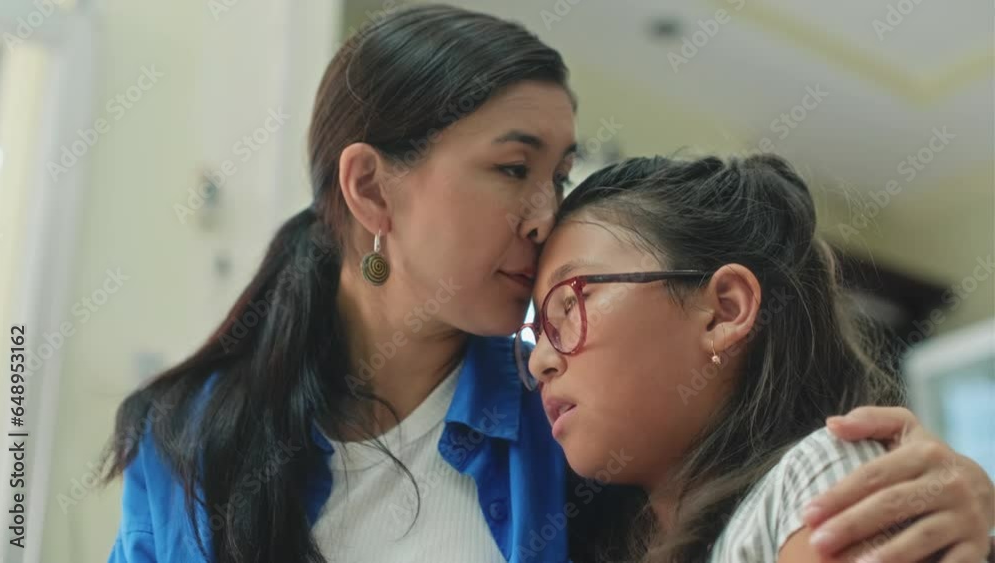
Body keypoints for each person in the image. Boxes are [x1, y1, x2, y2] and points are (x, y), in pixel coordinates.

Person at [104, 5, 994, 563]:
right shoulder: (185, 439)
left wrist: (959, 500)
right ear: (372, 187)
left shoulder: (576, 425)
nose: (543, 213)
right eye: (512, 167)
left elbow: (758, 471)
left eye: (559, 175)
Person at [521, 153, 994, 562]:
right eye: (538, 329)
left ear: (725, 310)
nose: (540, 360)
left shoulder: (824, 474)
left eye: (571, 303)